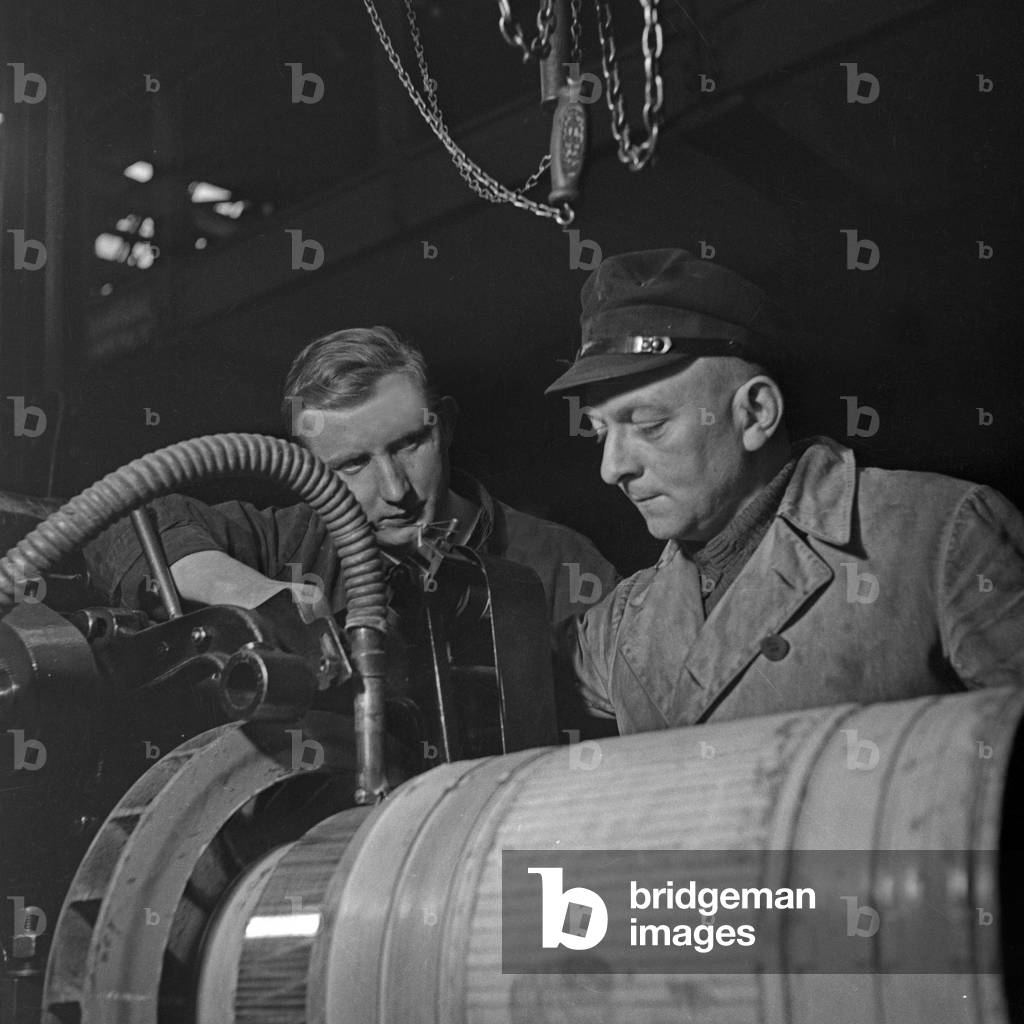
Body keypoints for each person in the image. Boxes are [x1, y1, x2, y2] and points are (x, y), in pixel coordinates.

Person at [546, 248, 1024, 734]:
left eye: (649, 424)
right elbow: (501, 673)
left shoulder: (941, 536)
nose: (612, 468)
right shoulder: (625, 620)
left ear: (755, 413)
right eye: (601, 432)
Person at [85, 327, 617, 638]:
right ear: (308, 471)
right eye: (353, 465)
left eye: (409, 445)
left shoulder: (563, 564)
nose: (395, 491)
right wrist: (256, 595)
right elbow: (120, 519)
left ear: (446, 425)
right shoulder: (290, 543)